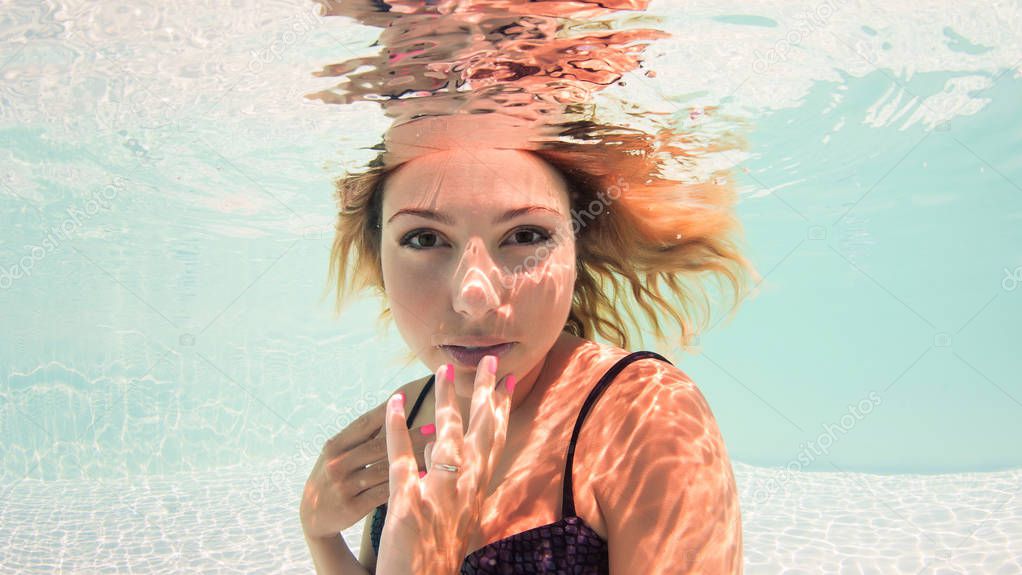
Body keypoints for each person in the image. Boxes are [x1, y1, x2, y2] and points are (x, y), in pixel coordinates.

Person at [300, 113, 755, 574]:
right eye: (425, 238)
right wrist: (323, 540)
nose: (473, 298)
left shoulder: (643, 414)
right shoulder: (411, 408)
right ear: (379, 261)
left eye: (525, 236)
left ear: (577, 251)